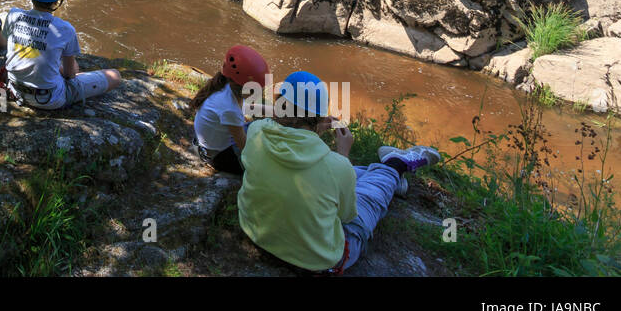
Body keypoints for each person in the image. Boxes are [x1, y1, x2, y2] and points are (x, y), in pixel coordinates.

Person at [238, 70, 441, 274]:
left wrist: (316, 128)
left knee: (351, 174)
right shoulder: (336, 166)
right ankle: (396, 165)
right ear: (319, 118)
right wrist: (343, 154)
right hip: (317, 260)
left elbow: (283, 124)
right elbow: (346, 215)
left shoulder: (256, 130)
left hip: (255, 232)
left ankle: (389, 177)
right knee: (367, 198)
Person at [1, 0, 122, 109]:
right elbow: (71, 74)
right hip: (50, 100)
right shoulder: (65, 29)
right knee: (115, 76)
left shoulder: (13, 15)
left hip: (15, 90)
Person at [189, 45, 270, 174]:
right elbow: (244, 148)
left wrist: (272, 111)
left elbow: (245, 108)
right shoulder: (229, 109)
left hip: (208, 144)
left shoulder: (226, 87)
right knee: (266, 150)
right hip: (216, 157)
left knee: (260, 127)